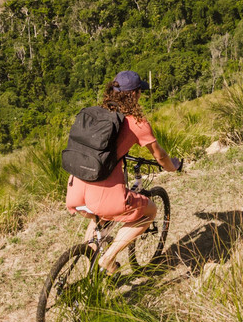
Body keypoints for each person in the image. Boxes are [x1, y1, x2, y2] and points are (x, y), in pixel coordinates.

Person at [65, 70, 182, 273]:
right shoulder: (138, 123)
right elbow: (160, 155)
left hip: (76, 186)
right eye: (139, 93)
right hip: (103, 194)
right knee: (150, 211)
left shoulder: (98, 112)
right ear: (135, 94)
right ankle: (107, 260)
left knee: (98, 219)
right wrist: (172, 166)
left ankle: (91, 274)